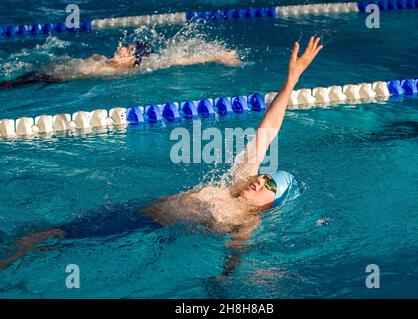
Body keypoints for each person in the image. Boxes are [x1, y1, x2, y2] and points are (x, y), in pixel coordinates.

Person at [0, 37, 323, 274]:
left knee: (48, 239)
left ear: (272, 204)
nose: (260, 179)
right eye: (264, 175)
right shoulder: (235, 182)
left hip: (140, 229)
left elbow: (233, 261)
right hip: (137, 209)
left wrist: (224, 282)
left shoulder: (244, 223)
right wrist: (292, 79)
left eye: (269, 184)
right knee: (46, 234)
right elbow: (267, 131)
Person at [0, 41, 242, 88]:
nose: (122, 47)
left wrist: (219, 55)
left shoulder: (126, 71)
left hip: (49, 80)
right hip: (42, 74)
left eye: (129, 49)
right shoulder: (103, 60)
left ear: (134, 60)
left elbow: (176, 60)